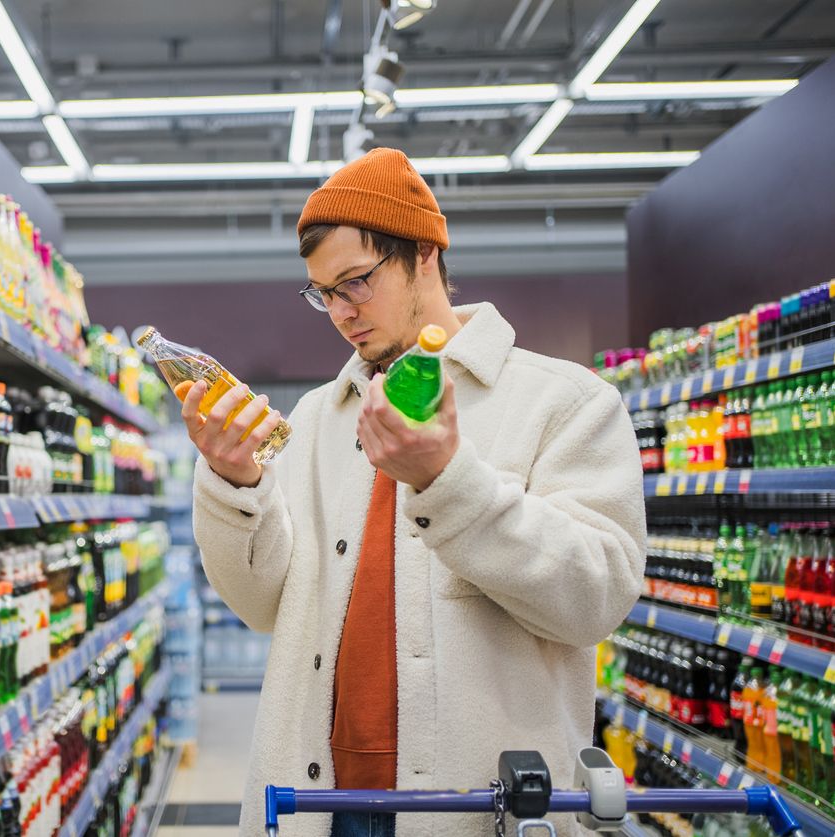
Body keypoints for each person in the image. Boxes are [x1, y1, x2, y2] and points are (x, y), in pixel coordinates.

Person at [181, 148, 646, 837]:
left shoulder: (565, 402)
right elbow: (259, 605)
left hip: (474, 806)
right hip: (317, 800)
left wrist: (448, 483)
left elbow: (597, 598)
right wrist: (233, 482)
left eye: (355, 283)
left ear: (424, 254)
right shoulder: (313, 418)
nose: (338, 312)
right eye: (321, 292)